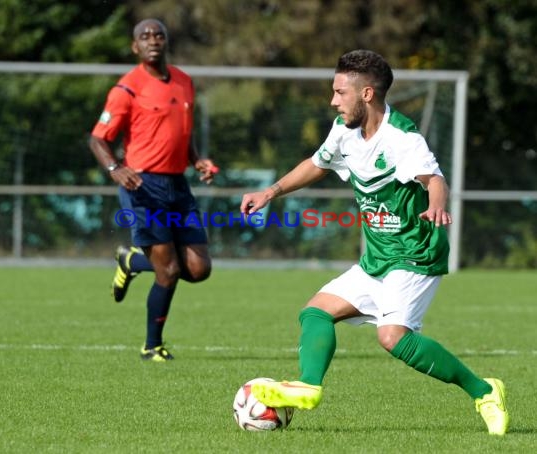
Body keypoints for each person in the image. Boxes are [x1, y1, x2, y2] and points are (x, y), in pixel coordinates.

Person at [240, 50, 509, 436]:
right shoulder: (343, 130)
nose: (333, 100)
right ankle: (308, 386)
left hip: (415, 256)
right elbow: (318, 163)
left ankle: (484, 391)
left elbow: (434, 180)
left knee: (392, 337)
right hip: (378, 257)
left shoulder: (401, 138)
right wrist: (272, 191)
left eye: (339, 92)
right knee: (315, 312)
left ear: (366, 94)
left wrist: (435, 207)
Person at [89, 18, 218, 362]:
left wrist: (196, 161)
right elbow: (98, 138)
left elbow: (180, 134)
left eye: (158, 34)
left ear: (166, 41)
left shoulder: (184, 81)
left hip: (178, 184)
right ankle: (151, 346)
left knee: (198, 269)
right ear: (135, 47)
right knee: (169, 271)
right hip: (143, 186)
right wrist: (116, 168)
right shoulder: (126, 88)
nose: (152, 40)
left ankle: (131, 260)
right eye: (144, 36)